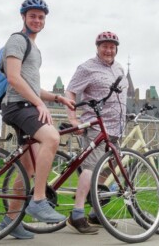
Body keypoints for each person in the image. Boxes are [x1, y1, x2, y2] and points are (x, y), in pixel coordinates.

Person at [0, 0, 76, 239]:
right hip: (17, 105)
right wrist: (38, 103)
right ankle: (38, 200)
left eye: (41, 17)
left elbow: (32, 85)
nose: (37, 20)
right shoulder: (17, 41)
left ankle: (9, 221)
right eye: (32, 16)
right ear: (23, 17)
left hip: (25, 103)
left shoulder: (34, 48)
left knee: (28, 167)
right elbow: (13, 78)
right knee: (52, 137)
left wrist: (57, 98)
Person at [65, 31, 128, 234]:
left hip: (116, 129)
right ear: (97, 48)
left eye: (112, 47)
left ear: (116, 49)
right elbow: (71, 91)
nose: (108, 50)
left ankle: (95, 213)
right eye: (104, 46)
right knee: (91, 169)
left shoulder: (119, 68)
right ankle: (77, 213)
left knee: (107, 171)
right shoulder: (87, 68)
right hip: (95, 127)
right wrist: (73, 118)